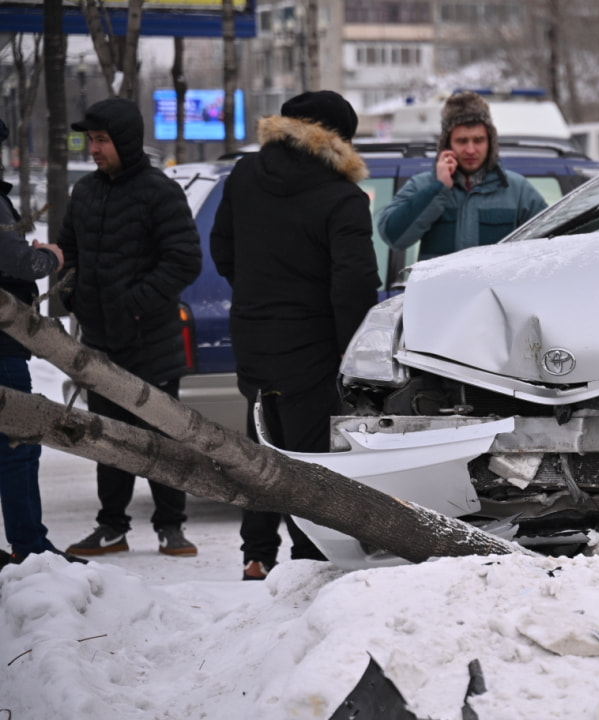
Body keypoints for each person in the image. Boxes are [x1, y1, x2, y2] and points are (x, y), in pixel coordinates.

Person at [209, 90, 379, 580]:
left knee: (259, 449)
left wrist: (257, 295)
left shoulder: (244, 175)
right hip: (314, 348)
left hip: (254, 338)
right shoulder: (342, 197)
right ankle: (310, 560)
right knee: (311, 461)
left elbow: (223, 248)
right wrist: (353, 349)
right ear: (338, 139)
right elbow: (354, 284)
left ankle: (258, 554)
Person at [57, 98, 203, 559]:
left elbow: (184, 260)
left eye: (101, 140)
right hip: (100, 343)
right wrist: (69, 294)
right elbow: (68, 253)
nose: (94, 149)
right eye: (91, 140)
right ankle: (112, 527)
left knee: (163, 440)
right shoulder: (85, 192)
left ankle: (171, 526)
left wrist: (134, 305)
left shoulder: (159, 192)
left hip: (152, 341)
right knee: (108, 439)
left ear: (125, 141)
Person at [0, 120, 86, 569]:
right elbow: (21, 261)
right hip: (2, 348)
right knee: (18, 445)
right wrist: (50, 255)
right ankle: (30, 547)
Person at [377, 90, 548, 257]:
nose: (471, 149)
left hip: (495, 287)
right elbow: (393, 237)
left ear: (491, 142)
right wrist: (439, 189)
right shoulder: (423, 185)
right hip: (442, 286)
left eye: (478, 140)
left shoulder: (517, 190)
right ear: (447, 144)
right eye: (462, 141)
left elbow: (550, 246)